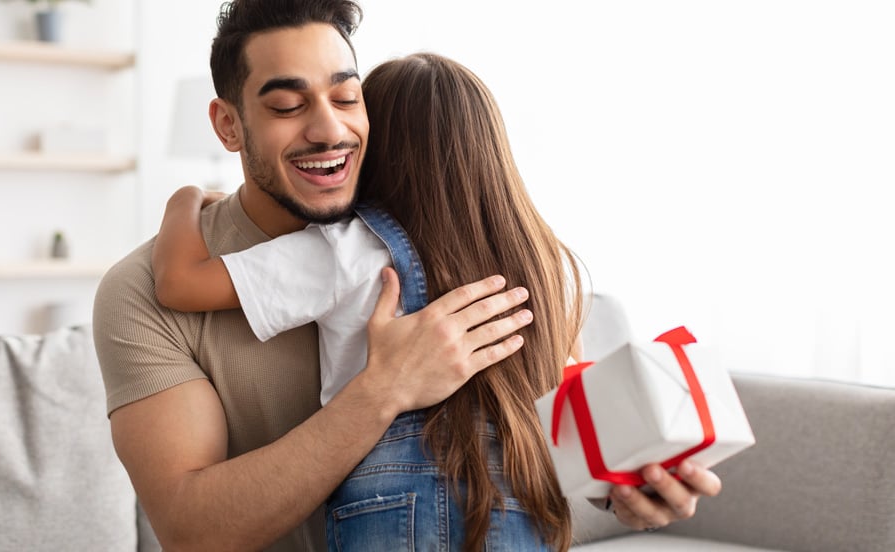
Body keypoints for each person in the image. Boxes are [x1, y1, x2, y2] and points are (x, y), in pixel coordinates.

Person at [93, 1, 722, 550]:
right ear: (229, 124)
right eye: (287, 104)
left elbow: (548, 426)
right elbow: (191, 534)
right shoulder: (140, 294)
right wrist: (383, 390)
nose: (330, 128)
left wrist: (627, 486)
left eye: (347, 97)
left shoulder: (416, 254)